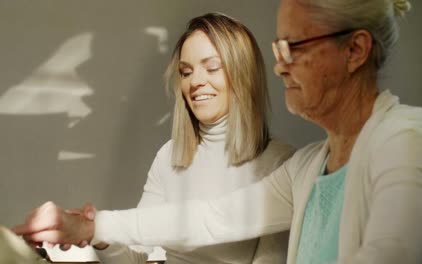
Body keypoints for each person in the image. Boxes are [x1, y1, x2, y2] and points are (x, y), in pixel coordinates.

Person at [14, 0, 422, 263]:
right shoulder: (310, 167)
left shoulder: (408, 142)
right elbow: (211, 218)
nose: (279, 64)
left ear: (355, 50)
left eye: (295, 46)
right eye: (278, 47)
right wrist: (88, 227)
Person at [14, 13, 295, 264]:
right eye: (186, 72)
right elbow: (136, 255)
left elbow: (215, 225)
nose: (195, 82)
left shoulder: (281, 162)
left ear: (243, 74)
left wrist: (93, 227)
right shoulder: (170, 155)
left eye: (211, 68)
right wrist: (100, 239)